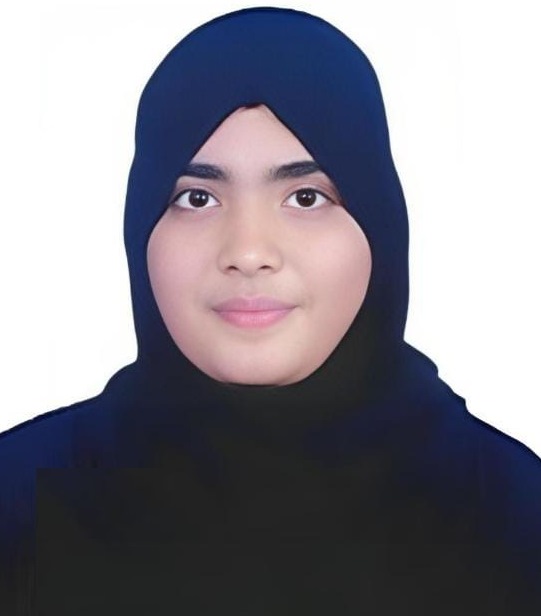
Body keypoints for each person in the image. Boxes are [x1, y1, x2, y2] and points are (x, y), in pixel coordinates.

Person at [1, 7, 540, 614]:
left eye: (306, 197)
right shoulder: (18, 507)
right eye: (196, 198)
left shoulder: (515, 519)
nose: (249, 251)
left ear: (380, 227)